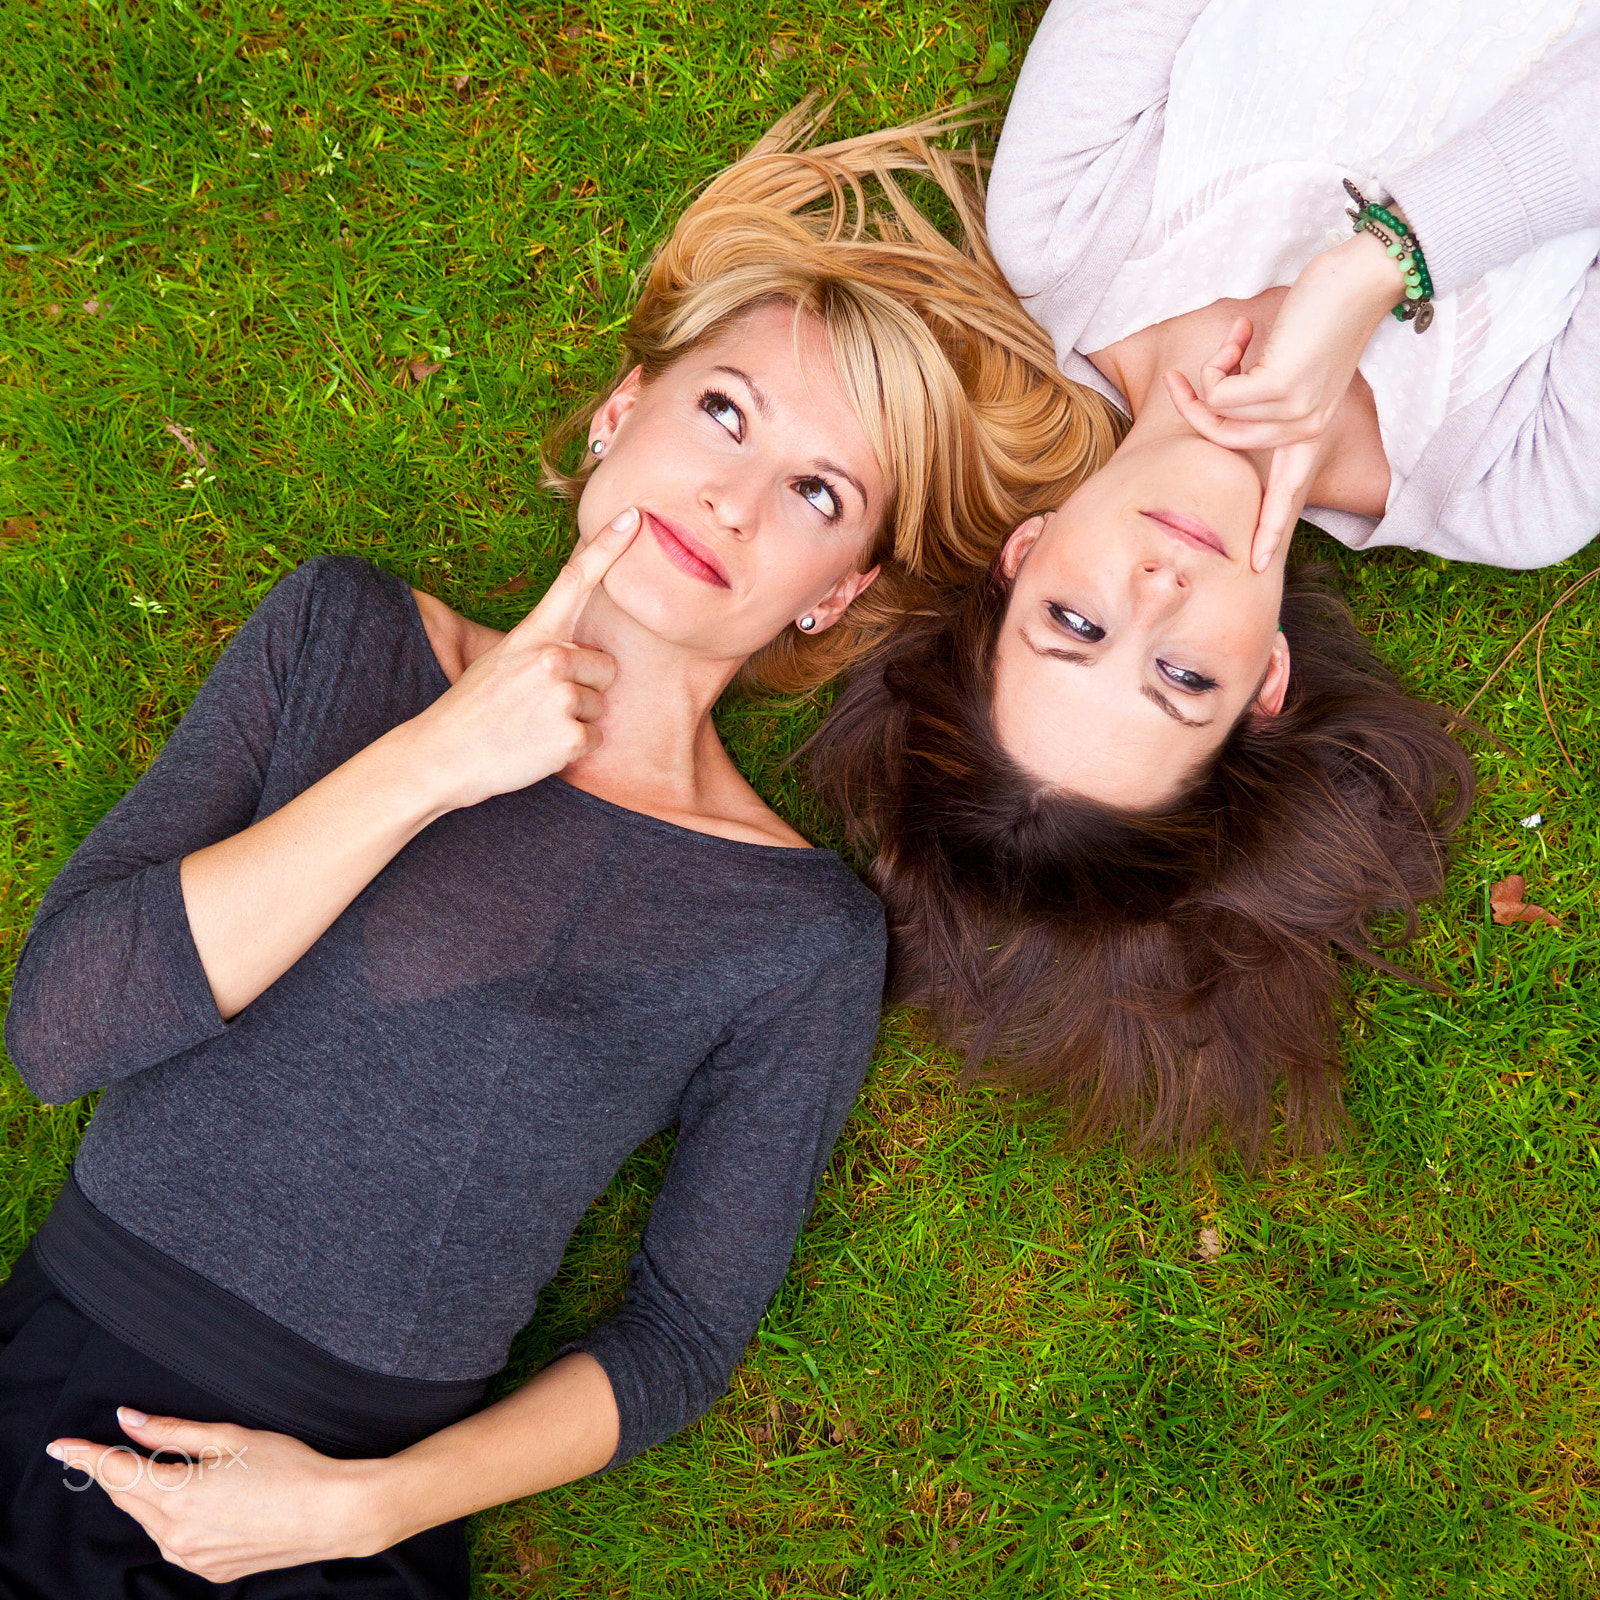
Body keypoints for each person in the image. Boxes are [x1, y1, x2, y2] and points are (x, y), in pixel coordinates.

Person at [0, 111, 1117, 1595]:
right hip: (53, 1414)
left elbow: (683, 1337)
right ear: (620, 410)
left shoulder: (795, 938)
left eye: (817, 494)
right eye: (726, 413)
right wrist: (433, 764)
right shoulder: (347, 640)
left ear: (831, 592)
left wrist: (366, 1510)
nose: (734, 497)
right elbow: (60, 1033)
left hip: (347, 1524)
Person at [808, 1, 1599, 1156]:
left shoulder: (1067, 228)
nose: (1160, 586)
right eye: (1180, 676)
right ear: (1264, 683)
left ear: (1020, 553)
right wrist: (1381, 264)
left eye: (1074, 622)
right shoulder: (1516, 480)